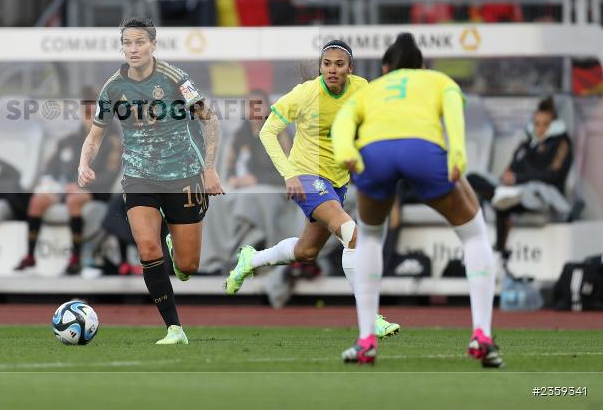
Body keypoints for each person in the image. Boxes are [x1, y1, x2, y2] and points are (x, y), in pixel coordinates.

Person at [331, 32, 501, 368]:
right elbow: (454, 113)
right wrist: (457, 154)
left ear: (385, 67)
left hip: (375, 153)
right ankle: (481, 334)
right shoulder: (438, 80)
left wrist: (345, 152)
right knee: (474, 233)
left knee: (371, 237)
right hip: (422, 151)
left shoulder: (372, 89)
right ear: (421, 66)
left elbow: (343, 122)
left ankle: (366, 340)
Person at [223, 41, 400, 339]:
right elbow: (268, 131)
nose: (332, 69)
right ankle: (370, 318)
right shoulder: (305, 94)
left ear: (350, 69)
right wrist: (289, 174)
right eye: (327, 64)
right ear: (320, 67)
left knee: (306, 251)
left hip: (337, 182)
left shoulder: (362, 89)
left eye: (339, 64)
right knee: (352, 235)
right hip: (307, 176)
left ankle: (251, 260)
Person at [78, 17, 224, 345]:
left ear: (153, 45)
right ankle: (174, 329)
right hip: (139, 177)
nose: (133, 49)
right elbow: (95, 135)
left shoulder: (175, 78)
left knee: (187, 266)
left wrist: (210, 168)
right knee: (147, 248)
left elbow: (210, 121)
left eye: (140, 42)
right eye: (127, 43)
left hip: (183, 175)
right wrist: (83, 162)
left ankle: (174, 244)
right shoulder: (113, 87)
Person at [14, 94, 120, 275]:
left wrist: (82, 186)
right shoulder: (69, 140)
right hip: (65, 188)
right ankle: (30, 256)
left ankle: (75, 258)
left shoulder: (111, 142)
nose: (90, 117)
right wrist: (49, 181)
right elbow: (51, 167)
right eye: (87, 112)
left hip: (94, 191)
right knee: (37, 201)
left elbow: (109, 176)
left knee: (74, 200)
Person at [468, 97, 573, 271]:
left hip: (539, 192)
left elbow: (553, 175)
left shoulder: (561, 143)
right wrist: (508, 178)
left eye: (545, 124)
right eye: (537, 124)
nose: (540, 129)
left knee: (508, 200)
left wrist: (519, 179)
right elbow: (510, 169)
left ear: (553, 124)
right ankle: (498, 197)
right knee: (472, 178)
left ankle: (499, 248)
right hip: (513, 190)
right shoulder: (526, 144)